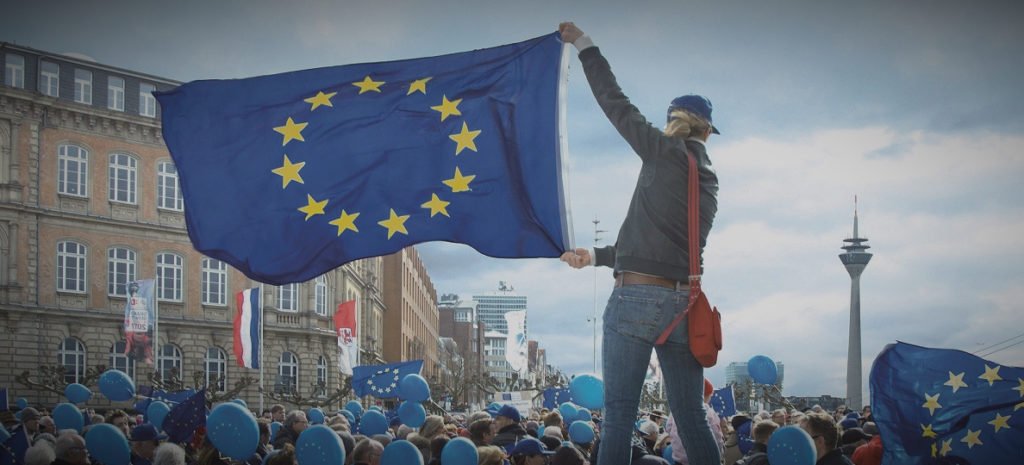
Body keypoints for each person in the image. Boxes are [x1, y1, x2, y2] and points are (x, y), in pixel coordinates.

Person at [558, 21, 721, 465]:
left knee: (619, 415)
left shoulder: (660, 151)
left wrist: (583, 44)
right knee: (689, 413)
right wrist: (595, 256)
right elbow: (664, 250)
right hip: (683, 305)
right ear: (707, 133)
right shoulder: (708, 183)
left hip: (635, 299)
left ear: (674, 123)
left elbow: (614, 102)